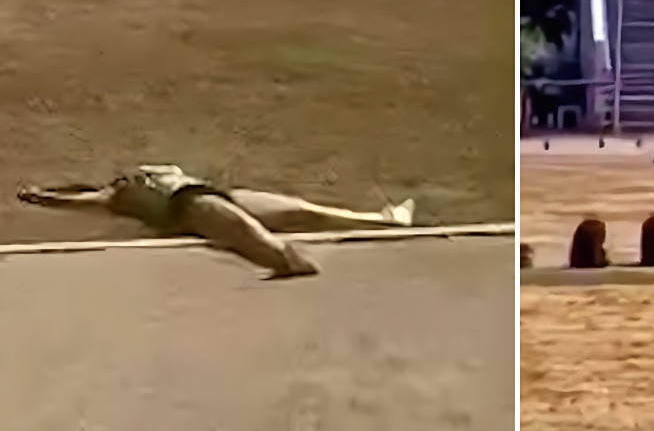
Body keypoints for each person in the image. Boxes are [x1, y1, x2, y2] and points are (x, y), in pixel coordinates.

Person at [17, 165, 416, 279]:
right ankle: (287, 261)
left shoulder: (140, 175)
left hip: (218, 194)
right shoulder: (116, 198)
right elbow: (79, 200)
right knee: (252, 238)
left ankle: (385, 220)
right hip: (192, 209)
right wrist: (43, 197)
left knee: (300, 210)